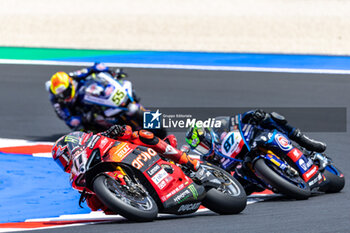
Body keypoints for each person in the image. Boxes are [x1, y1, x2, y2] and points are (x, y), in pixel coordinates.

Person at [52, 124, 204, 213]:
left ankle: (186, 160)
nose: (64, 163)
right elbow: (95, 207)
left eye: (64, 157)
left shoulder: (98, 139)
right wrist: (89, 194)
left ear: (72, 147)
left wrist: (117, 130)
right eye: (60, 162)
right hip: (137, 196)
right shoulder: (77, 179)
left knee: (143, 135)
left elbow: (127, 130)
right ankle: (138, 195)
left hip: (139, 155)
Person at [185, 109, 327, 194]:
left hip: (256, 141)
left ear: (209, 135)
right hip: (247, 171)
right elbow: (220, 178)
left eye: (203, 145)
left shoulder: (221, 128)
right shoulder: (210, 160)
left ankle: (306, 142)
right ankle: (279, 181)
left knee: (269, 118)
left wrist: (253, 115)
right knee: (239, 188)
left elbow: (239, 119)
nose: (203, 149)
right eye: (199, 149)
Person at [46, 62, 130, 130]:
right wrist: (83, 118)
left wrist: (111, 72)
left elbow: (95, 67)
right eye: (60, 95)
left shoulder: (74, 76)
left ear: (70, 84)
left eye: (65, 93)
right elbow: (70, 121)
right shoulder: (56, 101)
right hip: (82, 113)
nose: (63, 96)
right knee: (83, 129)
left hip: (92, 96)